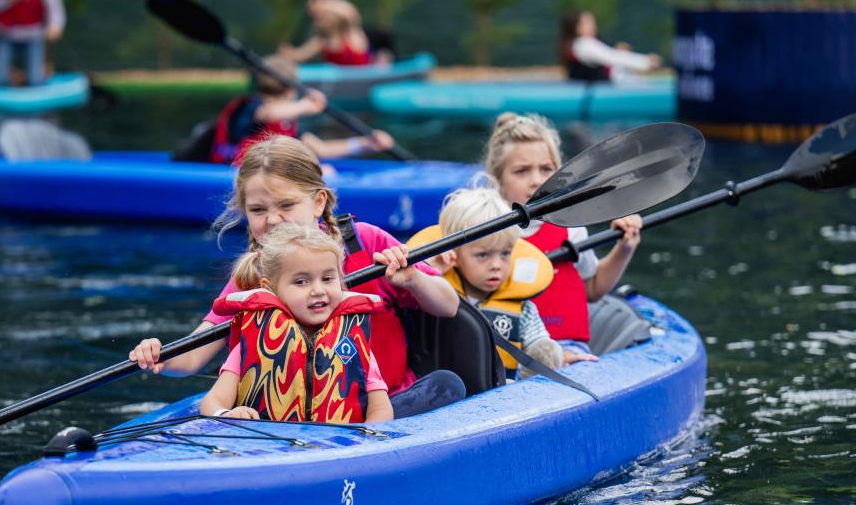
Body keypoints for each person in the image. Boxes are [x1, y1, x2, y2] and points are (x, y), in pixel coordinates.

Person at [132, 135, 465, 418]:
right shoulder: (254, 274)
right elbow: (193, 355)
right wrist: (159, 354)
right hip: (284, 418)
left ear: (318, 202)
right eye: (258, 210)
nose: (273, 219)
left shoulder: (367, 242)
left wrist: (413, 281)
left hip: (381, 409)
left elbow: (449, 306)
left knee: (446, 386)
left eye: (286, 205)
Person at [481, 112, 643, 362]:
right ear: (498, 180)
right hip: (505, 351)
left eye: (546, 169)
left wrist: (624, 247)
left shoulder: (572, 229)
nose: (536, 180)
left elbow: (592, 288)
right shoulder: (486, 232)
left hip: (568, 347)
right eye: (521, 171)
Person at [200, 223, 394, 423]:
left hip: (340, 445)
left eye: (327, 278)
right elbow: (212, 401)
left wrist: (366, 438)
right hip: (269, 446)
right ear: (271, 288)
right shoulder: (254, 343)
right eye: (301, 282)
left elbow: (381, 409)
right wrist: (227, 414)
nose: (318, 290)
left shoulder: (353, 342)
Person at [407, 187, 563, 376]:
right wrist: (429, 272)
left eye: (505, 253)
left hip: (504, 394)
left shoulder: (523, 306)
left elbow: (539, 344)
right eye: (483, 255)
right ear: (454, 253)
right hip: (447, 391)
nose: (496, 265)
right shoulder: (434, 294)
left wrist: (546, 355)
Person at [208, 55, 395, 164]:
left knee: (322, 168)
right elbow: (268, 113)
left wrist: (365, 143)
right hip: (231, 172)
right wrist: (306, 105)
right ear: (291, 91)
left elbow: (322, 149)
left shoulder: (286, 123)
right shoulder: (250, 108)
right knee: (323, 172)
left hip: (265, 176)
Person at [280, 0, 391, 66]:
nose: (320, 21)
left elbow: (350, 11)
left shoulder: (352, 35)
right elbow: (299, 56)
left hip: (367, 77)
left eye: (324, 17)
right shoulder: (321, 42)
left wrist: (322, 3)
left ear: (335, 20)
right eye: (320, 18)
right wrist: (287, 53)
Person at [558, 10, 661, 84]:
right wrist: (646, 62)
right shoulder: (584, 43)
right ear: (574, 27)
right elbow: (612, 58)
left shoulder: (576, 45)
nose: (592, 26)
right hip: (600, 92)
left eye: (592, 22)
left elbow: (610, 57)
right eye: (586, 23)